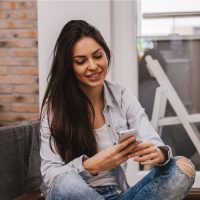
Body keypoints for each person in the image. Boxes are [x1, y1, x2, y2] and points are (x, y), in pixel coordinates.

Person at [40, 20, 195, 200]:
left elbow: (153, 140)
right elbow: (51, 176)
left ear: (106, 54)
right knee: (65, 184)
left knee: (183, 168)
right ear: (69, 67)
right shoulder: (54, 108)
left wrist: (159, 153)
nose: (93, 66)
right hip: (76, 194)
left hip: (119, 195)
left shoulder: (121, 95)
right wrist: (91, 165)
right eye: (81, 61)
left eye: (97, 56)